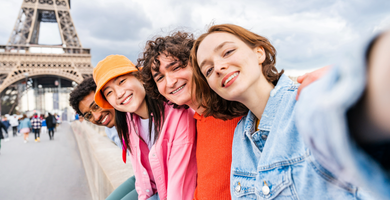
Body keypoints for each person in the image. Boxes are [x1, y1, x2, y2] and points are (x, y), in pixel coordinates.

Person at [190, 24, 373, 199]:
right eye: (208, 70)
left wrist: (360, 78)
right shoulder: (241, 135)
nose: (219, 68)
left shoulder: (311, 102)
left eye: (228, 52)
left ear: (259, 53)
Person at [137, 31, 324, 200]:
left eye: (176, 67)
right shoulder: (189, 122)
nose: (170, 81)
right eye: (160, 78)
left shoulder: (237, 109)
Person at [296, 30, 390, 200]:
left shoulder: (304, 100)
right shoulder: (239, 132)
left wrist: (341, 81)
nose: (228, 63)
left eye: (230, 51)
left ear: (259, 53)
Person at [93, 55, 197, 200]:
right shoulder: (129, 120)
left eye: (122, 82)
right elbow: (142, 178)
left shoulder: (177, 114)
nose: (119, 93)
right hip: (158, 188)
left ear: (140, 77)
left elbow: (180, 188)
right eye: (109, 92)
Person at [69, 77, 136, 199]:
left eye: (96, 106)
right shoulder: (110, 129)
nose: (96, 116)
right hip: (143, 176)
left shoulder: (139, 117)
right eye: (88, 115)